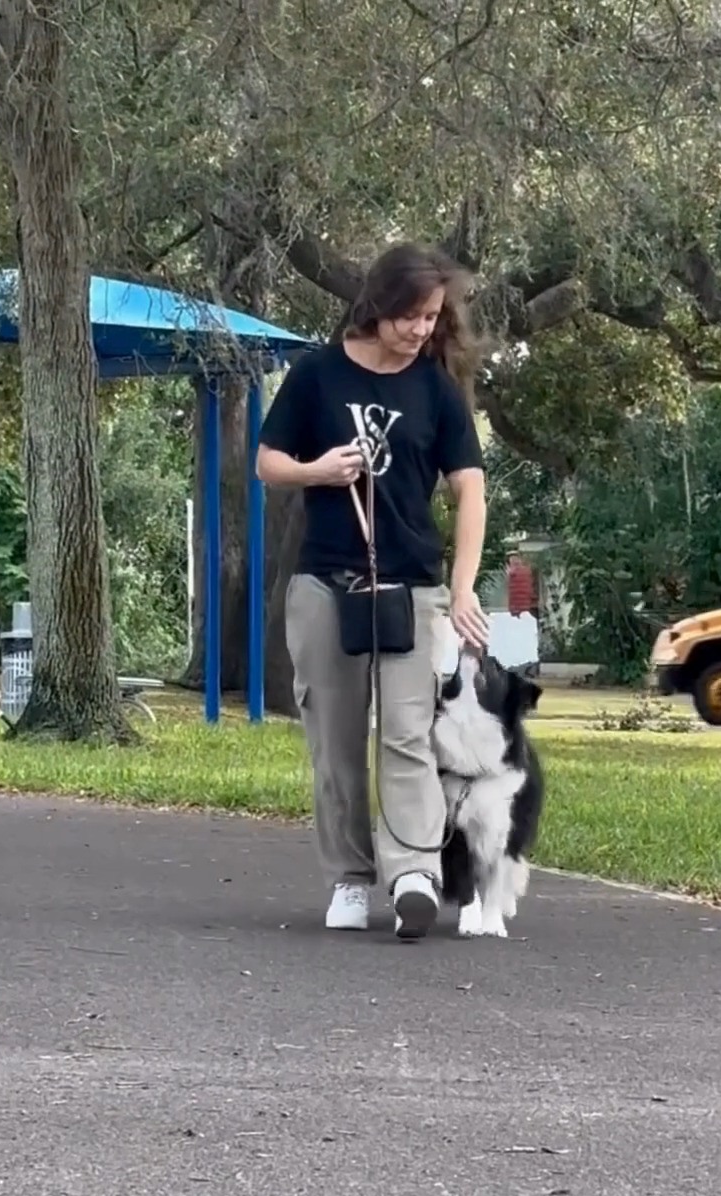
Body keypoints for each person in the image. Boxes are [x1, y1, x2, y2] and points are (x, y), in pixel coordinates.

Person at [256, 242, 489, 940]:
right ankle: (351, 879)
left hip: (412, 583)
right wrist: (319, 470)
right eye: (410, 317)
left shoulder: (435, 389)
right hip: (325, 582)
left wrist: (464, 585)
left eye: (432, 318)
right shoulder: (317, 376)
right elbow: (269, 463)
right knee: (333, 738)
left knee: (409, 731)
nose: (421, 331)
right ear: (377, 305)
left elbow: (469, 489)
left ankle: (414, 870)